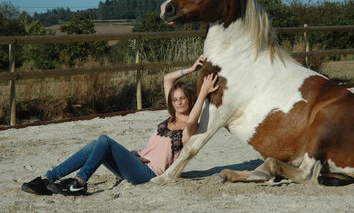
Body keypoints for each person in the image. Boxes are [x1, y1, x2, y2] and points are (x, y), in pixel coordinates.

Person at [21, 55, 218, 196]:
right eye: (175, 99)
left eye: (183, 98)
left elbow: (192, 120)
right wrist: (191, 69)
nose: (179, 102)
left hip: (148, 175)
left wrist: (203, 92)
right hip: (135, 162)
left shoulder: (188, 128)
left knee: (105, 141)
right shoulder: (170, 116)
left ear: (190, 100)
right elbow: (167, 79)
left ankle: (80, 181)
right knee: (95, 144)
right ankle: (48, 179)